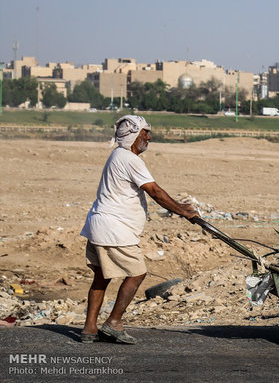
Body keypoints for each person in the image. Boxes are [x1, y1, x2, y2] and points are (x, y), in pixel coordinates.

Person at [80, 115, 199, 344]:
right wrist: (183, 211)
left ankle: (89, 328)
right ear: (134, 135)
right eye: (145, 133)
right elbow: (154, 191)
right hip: (115, 229)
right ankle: (114, 322)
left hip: (98, 225)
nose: (149, 137)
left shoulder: (116, 155)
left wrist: (180, 208)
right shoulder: (131, 160)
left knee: (101, 278)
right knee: (137, 273)